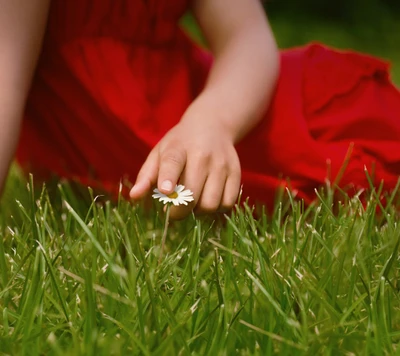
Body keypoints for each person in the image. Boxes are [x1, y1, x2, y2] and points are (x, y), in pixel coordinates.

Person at [2, 0, 400, 220]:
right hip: (102, 142)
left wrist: (212, 119)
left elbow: (246, 36)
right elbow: (6, 75)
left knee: (349, 126)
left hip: (206, 111)